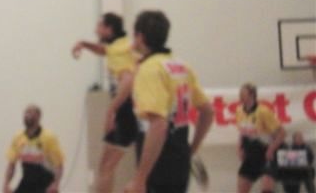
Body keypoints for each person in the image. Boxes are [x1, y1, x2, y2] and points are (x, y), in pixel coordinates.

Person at [124, 10, 214, 193]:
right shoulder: (180, 66)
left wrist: (140, 178)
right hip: (180, 162)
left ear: (140, 36)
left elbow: (158, 125)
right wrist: (192, 149)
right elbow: (207, 111)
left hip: (158, 166)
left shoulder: (150, 69)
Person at [72, 13, 139, 193]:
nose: (96, 30)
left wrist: (111, 110)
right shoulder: (121, 45)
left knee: (106, 168)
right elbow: (104, 50)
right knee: (105, 167)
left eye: (99, 26)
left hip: (127, 111)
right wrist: (84, 44)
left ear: (109, 29)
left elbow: (128, 80)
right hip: (127, 110)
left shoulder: (119, 50)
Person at [236, 82, 286, 193]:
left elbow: (282, 133)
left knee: (266, 187)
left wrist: (271, 149)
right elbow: (242, 133)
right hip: (251, 154)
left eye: (243, 93)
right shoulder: (239, 111)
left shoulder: (263, 111)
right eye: (240, 93)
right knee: (242, 187)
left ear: (252, 95)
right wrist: (239, 148)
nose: (240, 96)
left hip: (266, 152)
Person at [3, 105, 64, 193]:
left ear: (38, 116)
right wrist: (6, 184)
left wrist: (55, 184)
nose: (27, 115)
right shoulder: (18, 138)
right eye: (25, 113)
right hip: (27, 182)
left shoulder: (49, 137)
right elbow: (11, 164)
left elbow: (59, 165)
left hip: (45, 182)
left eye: (30, 113)